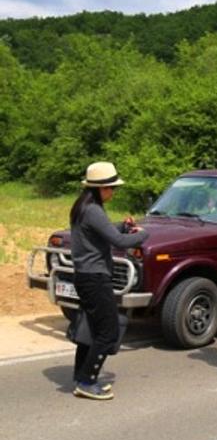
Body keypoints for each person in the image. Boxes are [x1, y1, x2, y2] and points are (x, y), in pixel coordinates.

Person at [69, 162, 148, 400]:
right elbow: (119, 242)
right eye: (111, 187)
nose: (113, 192)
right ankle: (87, 381)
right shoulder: (93, 210)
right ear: (100, 188)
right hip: (95, 278)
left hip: (85, 276)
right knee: (108, 331)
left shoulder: (83, 206)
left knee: (92, 328)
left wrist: (122, 226)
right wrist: (143, 234)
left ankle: (81, 375)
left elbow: (103, 230)